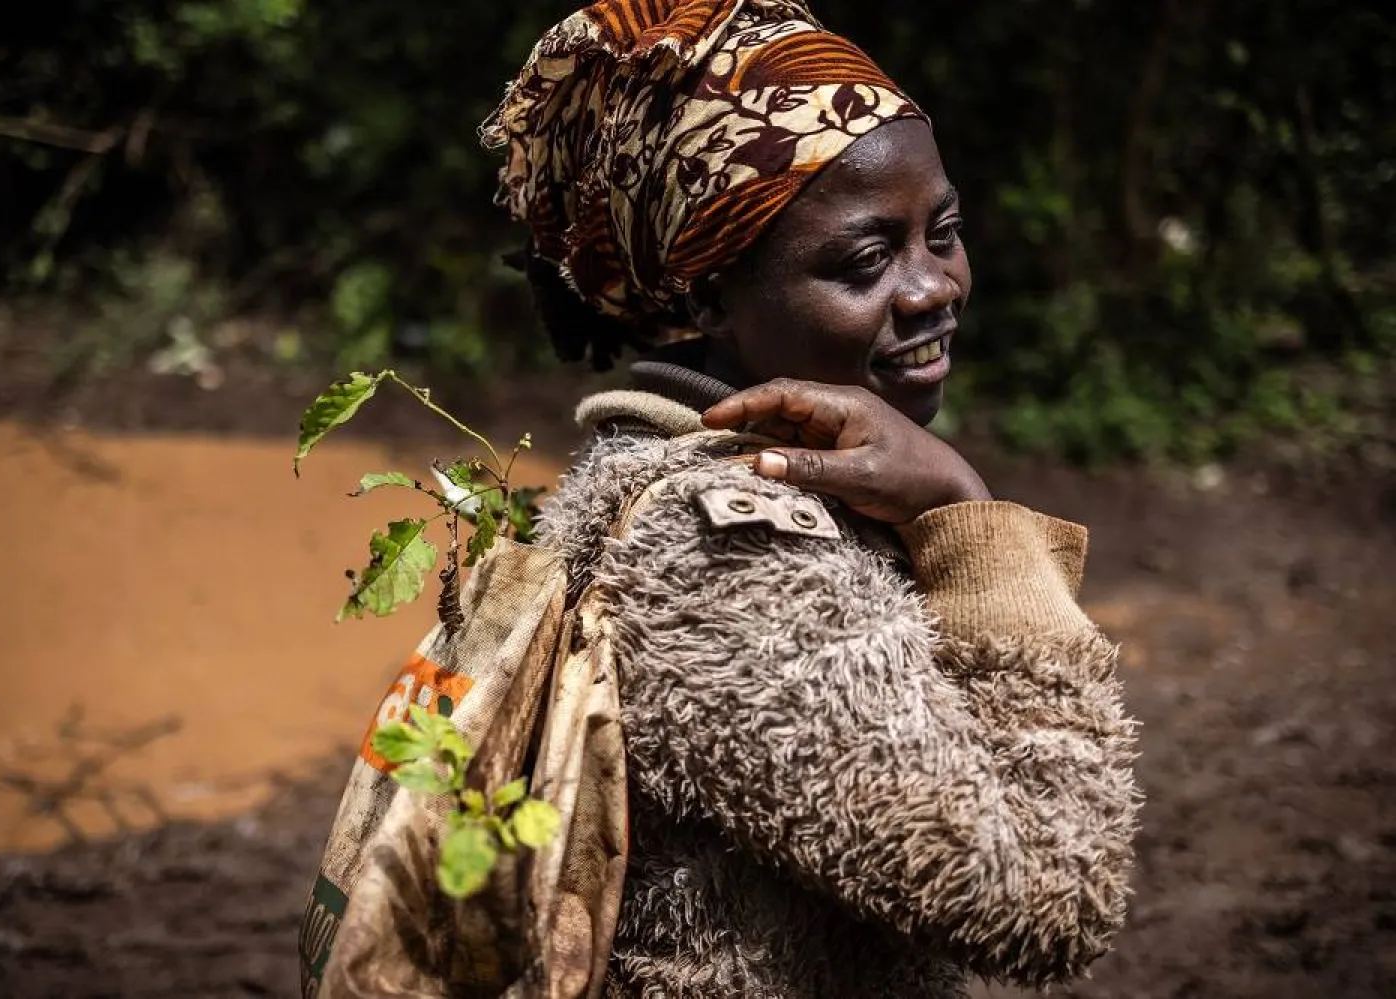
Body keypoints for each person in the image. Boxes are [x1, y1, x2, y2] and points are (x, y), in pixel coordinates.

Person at [482, 1, 1140, 995]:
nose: (931, 289)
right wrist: (964, 517)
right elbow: (1047, 902)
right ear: (705, 298)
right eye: (866, 262)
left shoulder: (657, 468)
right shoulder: (727, 553)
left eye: (944, 232)